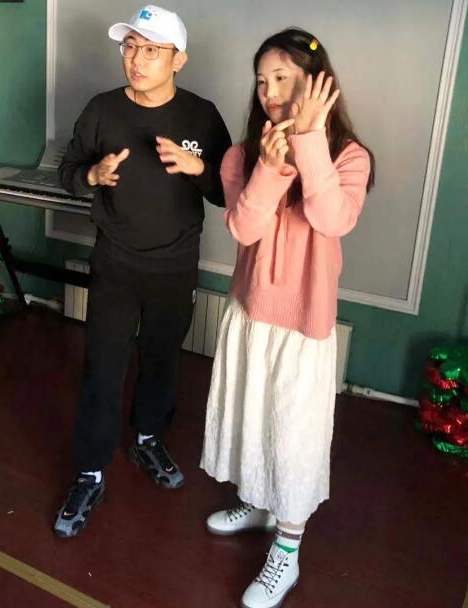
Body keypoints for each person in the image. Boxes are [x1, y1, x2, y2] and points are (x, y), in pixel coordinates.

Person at [200, 28, 374, 608]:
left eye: (282, 77)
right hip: (251, 312)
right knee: (251, 417)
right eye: (261, 81)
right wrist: (269, 170)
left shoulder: (349, 156)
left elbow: (332, 218)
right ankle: (258, 501)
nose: (270, 91)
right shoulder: (241, 156)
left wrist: (309, 141)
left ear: (316, 84)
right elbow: (244, 228)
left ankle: (287, 550)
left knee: (294, 435)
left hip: (304, 325)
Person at [54, 5, 231, 538]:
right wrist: (92, 174)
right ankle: (90, 471)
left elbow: (230, 192)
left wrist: (198, 168)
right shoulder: (102, 110)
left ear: (179, 59)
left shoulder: (202, 116)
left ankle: (149, 439)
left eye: (151, 50)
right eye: (130, 47)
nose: (136, 59)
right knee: (102, 367)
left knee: (161, 361)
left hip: (175, 265)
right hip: (116, 261)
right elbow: (68, 173)